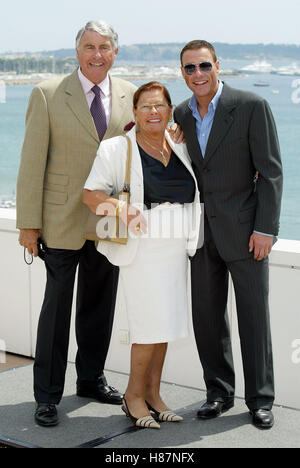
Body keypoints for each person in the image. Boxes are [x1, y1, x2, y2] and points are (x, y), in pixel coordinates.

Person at [16, 20, 137, 427]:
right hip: (60, 221)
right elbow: (31, 165)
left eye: (105, 47)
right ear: (77, 51)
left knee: (98, 307)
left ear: (115, 53)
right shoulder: (48, 94)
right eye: (89, 46)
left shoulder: (130, 96)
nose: (97, 54)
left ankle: (90, 379)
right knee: (56, 311)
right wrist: (28, 225)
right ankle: (47, 395)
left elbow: (141, 155)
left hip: (108, 221)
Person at [174, 40, 283, 429]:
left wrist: (265, 229)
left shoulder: (252, 107)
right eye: (190, 68)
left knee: (253, 317)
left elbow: (270, 172)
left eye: (204, 66)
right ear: (183, 73)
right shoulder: (180, 114)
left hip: (246, 233)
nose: (198, 74)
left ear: (218, 65)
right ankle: (218, 392)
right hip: (200, 235)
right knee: (207, 318)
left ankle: (260, 399)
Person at [83, 81, 201, 429]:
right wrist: (122, 209)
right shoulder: (118, 148)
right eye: (145, 106)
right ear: (134, 113)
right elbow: (90, 195)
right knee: (148, 325)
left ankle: (154, 393)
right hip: (143, 249)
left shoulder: (180, 145)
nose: (153, 111)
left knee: (165, 323)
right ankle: (133, 396)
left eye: (160, 106)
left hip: (176, 249)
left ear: (170, 112)